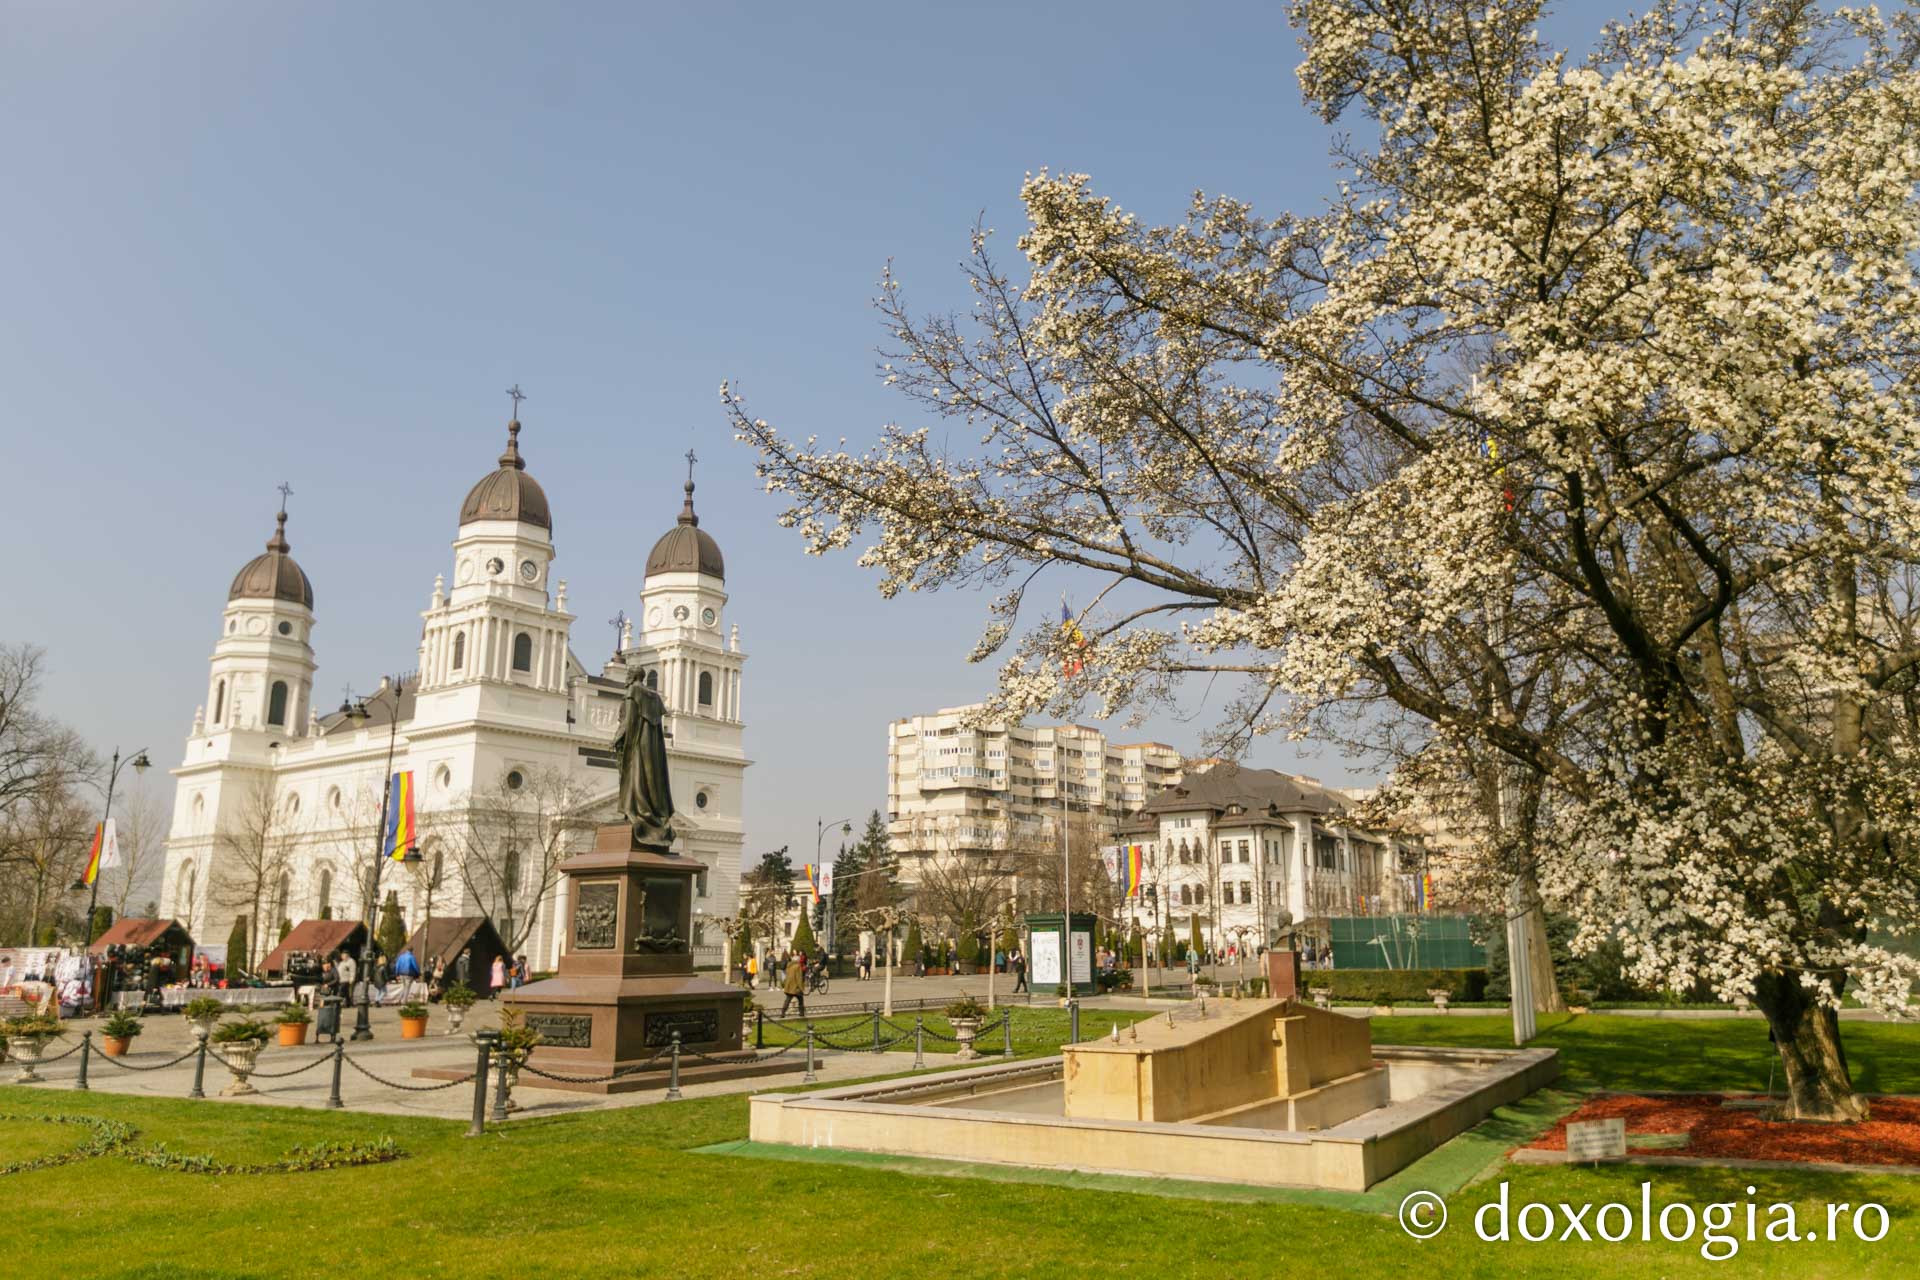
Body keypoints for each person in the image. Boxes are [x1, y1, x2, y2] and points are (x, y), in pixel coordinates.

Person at [780, 952, 806, 1018]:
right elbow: (799, 978)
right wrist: (801, 988)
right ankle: (801, 1013)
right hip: (795, 986)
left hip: (789, 985)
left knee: (788, 999)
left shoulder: (789, 965)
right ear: (798, 960)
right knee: (800, 999)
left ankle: (783, 1013)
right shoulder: (798, 966)